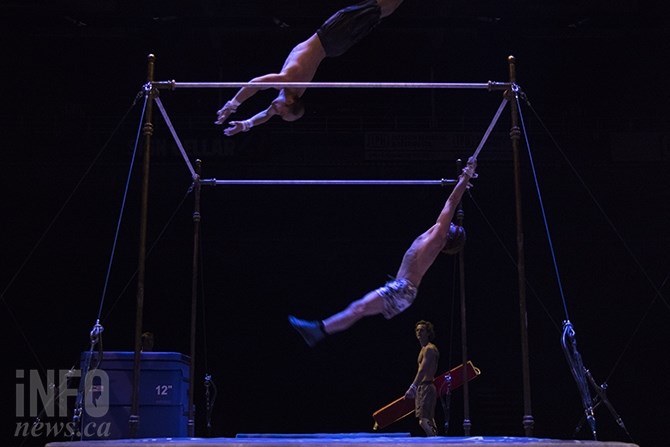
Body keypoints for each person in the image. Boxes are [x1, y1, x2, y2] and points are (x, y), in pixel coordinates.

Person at [289, 157, 477, 347]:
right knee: (359, 308)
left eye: (456, 228)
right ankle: (319, 330)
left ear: (450, 236)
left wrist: (465, 176)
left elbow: (452, 202)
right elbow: (451, 203)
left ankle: (319, 329)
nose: (453, 224)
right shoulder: (436, 234)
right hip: (403, 289)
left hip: (403, 289)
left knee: (359, 307)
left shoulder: (439, 236)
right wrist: (463, 180)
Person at [215, 0, 406, 136]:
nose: (276, 112)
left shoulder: (291, 90)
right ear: (291, 101)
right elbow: (254, 84)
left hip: (333, 45)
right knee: (376, 7)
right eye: (282, 113)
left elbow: (266, 115)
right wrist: (232, 105)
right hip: (332, 37)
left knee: (378, 12)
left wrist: (246, 124)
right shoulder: (289, 80)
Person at [404, 320, 439, 436]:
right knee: (429, 419)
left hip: (426, 387)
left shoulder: (429, 349)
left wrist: (413, 387)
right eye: (417, 330)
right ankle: (437, 441)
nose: (419, 332)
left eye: (422, 330)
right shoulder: (423, 349)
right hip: (423, 387)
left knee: (424, 421)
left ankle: (435, 442)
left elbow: (422, 370)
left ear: (428, 333)